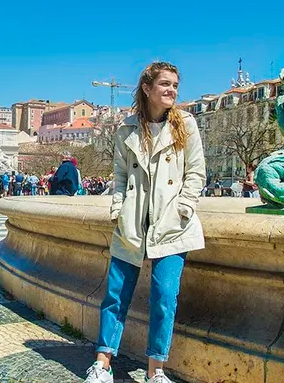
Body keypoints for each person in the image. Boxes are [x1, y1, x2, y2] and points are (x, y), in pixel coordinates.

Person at [85, 62, 205, 383]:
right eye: (165, 84)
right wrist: (118, 208)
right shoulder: (126, 129)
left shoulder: (186, 125)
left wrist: (184, 207)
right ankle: (102, 363)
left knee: (165, 297)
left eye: (175, 85)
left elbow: (196, 173)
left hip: (172, 225)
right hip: (133, 222)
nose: (172, 90)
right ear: (147, 88)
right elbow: (121, 176)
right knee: (115, 294)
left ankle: (157, 370)